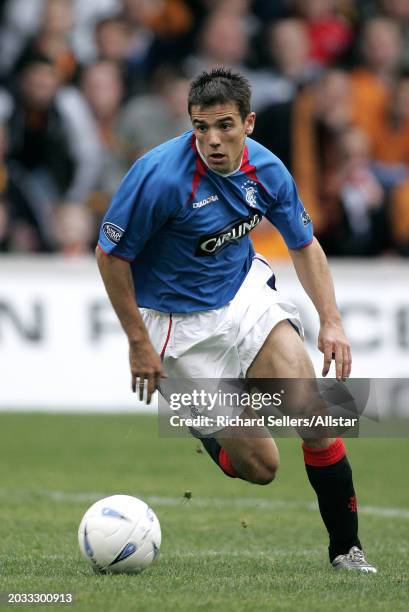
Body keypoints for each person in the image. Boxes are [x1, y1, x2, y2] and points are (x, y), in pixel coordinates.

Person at [96, 67, 377, 573]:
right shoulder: (159, 178)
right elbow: (110, 256)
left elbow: (304, 245)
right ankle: (206, 427)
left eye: (224, 125)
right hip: (178, 328)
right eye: (201, 127)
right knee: (261, 468)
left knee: (314, 411)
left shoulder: (268, 170)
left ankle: (347, 552)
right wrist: (137, 342)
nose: (212, 140)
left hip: (243, 295)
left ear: (248, 122)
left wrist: (330, 320)